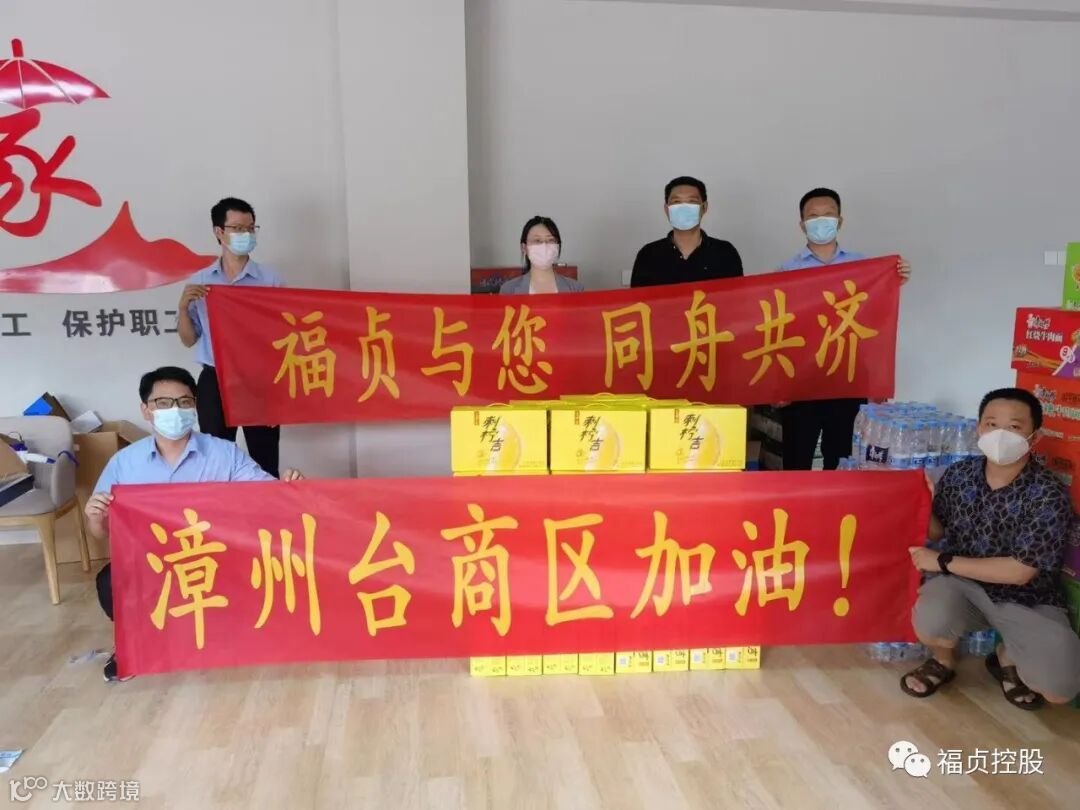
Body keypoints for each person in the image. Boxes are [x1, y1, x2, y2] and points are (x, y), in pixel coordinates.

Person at [85, 366, 303, 682]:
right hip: (152, 560)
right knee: (110, 581)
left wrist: (290, 488)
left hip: (213, 555)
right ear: (146, 410)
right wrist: (96, 517)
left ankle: (225, 629)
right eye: (163, 403)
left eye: (184, 402)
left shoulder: (224, 454)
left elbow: (266, 495)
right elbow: (102, 532)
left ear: (195, 407)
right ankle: (136, 642)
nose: (175, 410)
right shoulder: (124, 463)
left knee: (264, 569)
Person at [900, 388, 1080, 709]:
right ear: (979, 428)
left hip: (1029, 599)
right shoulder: (959, 475)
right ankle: (942, 661)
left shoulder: (1048, 493)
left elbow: (1019, 572)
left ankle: (1006, 654)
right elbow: (939, 530)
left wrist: (942, 561)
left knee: (1060, 689)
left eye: (1014, 427)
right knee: (932, 617)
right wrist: (922, 503)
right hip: (962, 587)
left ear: (1035, 437)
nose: (1000, 435)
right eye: (992, 424)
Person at [776, 187, 912, 471]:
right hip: (802, 375)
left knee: (841, 457)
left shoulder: (863, 266)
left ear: (840, 220)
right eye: (813, 216)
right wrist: (778, 384)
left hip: (848, 373)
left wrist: (893, 280)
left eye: (828, 214)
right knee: (797, 455)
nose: (821, 221)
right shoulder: (787, 272)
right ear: (802, 224)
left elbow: (876, 316)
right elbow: (779, 330)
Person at [176, 197, 285, 477]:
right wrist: (183, 307)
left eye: (250, 228)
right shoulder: (201, 281)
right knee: (216, 458)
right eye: (237, 228)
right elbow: (189, 339)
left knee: (264, 458)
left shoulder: (270, 280)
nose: (245, 234)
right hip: (215, 378)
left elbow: (282, 335)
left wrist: (276, 395)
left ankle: (265, 505)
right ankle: (222, 505)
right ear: (219, 232)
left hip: (258, 379)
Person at [630, 176, 742, 288]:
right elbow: (638, 298)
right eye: (676, 202)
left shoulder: (726, 253)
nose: (683, 208)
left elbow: (737, 296)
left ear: (704, 207)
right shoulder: (648, 255)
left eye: (692, 202)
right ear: (666, 209)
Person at [500, 216, 584, 294]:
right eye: (537, 240)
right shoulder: (508, 290)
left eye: (550, 240)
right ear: (524, 247)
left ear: (557, 246)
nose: (544, 246)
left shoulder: (576, 289)